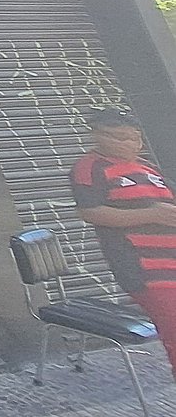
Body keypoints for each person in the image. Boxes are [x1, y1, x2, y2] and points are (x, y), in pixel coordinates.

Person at [70, 106, 176, 378]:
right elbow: (91, 212)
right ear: (97, 135)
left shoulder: (147, 167)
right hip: (143, 267)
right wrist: (151, 214)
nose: (131, 144)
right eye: (121, 137)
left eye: (135, 138)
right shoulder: (89, 167)